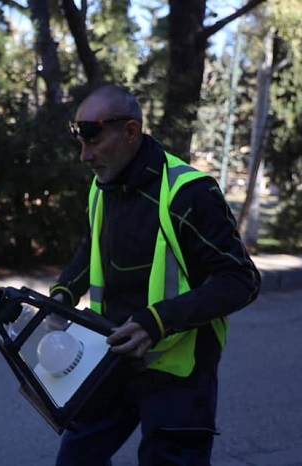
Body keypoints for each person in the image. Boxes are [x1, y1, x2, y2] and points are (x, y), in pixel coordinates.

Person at [48, 84, 260, 465]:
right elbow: (89, 246)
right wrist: (64, 293)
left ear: (130, 132)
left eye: (93, 138)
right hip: (111, 358)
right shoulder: (103, 186)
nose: (84, 154)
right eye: (79, 139)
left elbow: (241, 280)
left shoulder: (188, 192)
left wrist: (156, 322)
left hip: (180, 376)